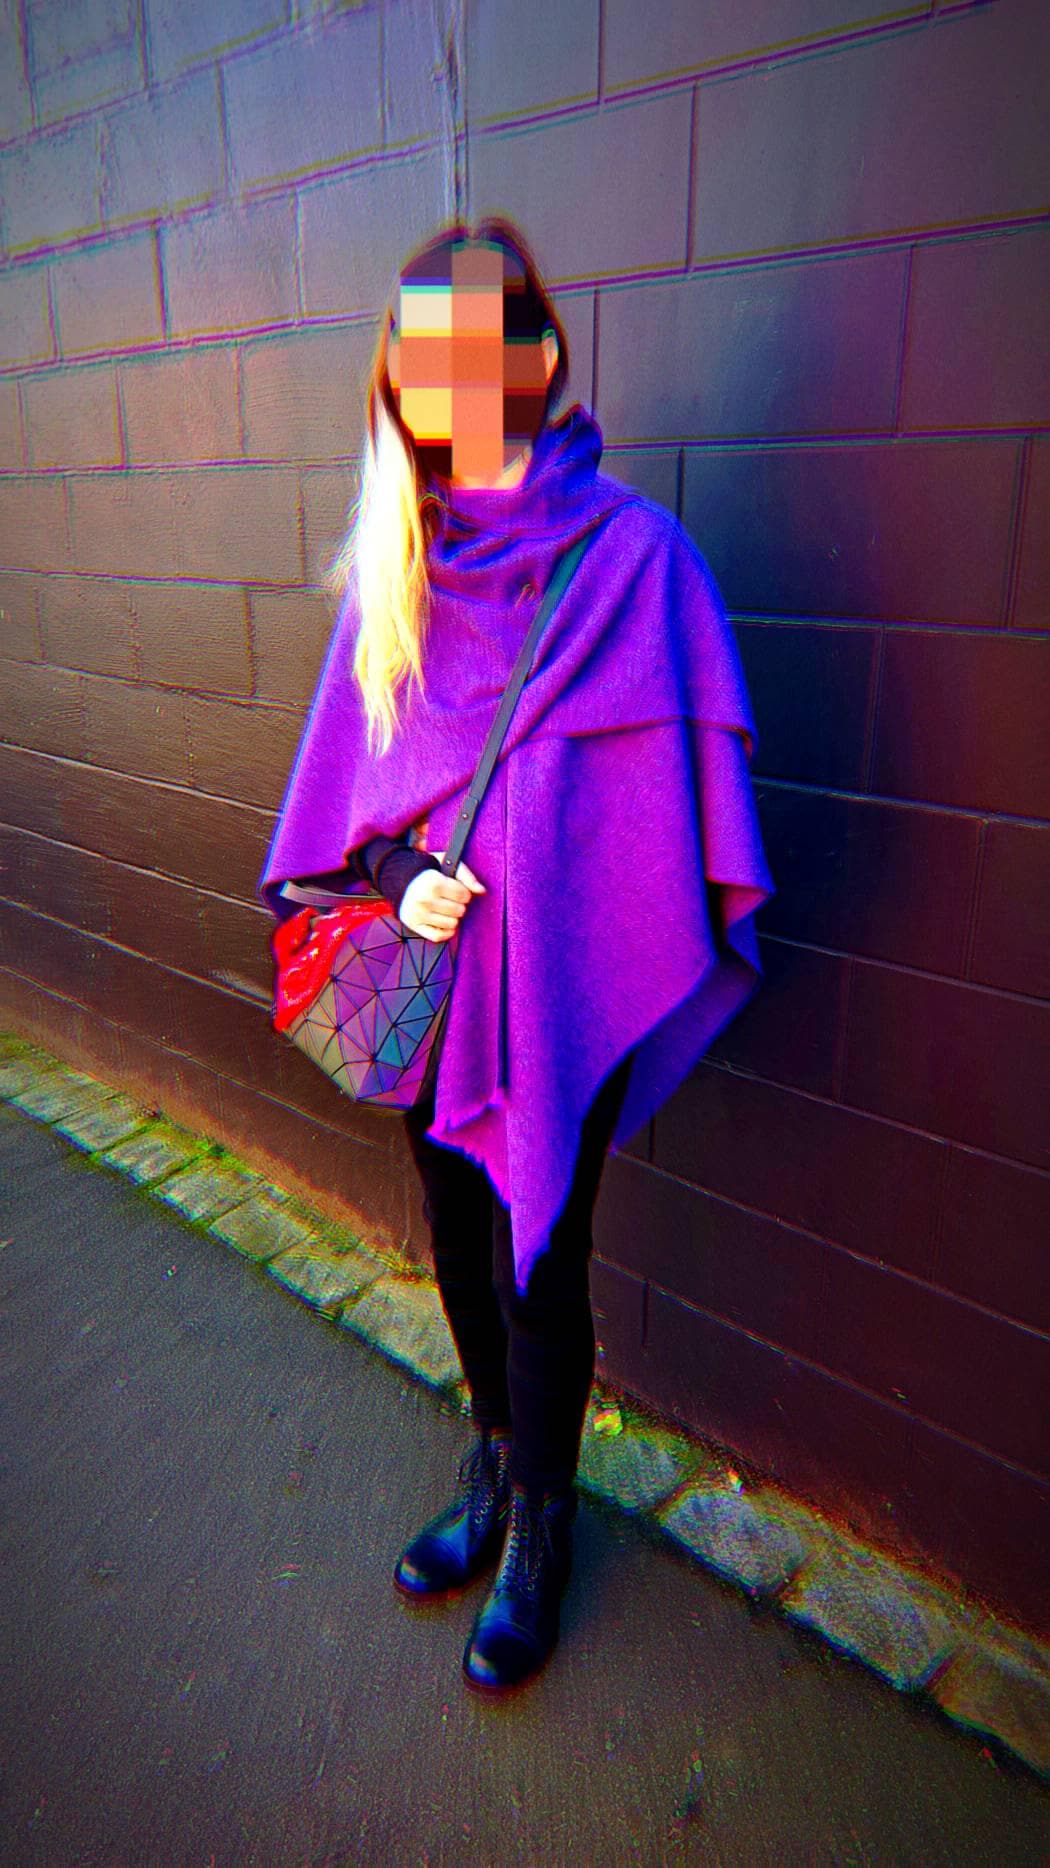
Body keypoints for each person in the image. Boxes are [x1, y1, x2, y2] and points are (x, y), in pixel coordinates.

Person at [257, 217, 775, 1697]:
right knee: (454, 1225)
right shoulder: (401, 567)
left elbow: (681, 804)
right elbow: (346, 814)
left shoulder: (639, 563)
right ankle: (492, 1459)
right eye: (426, 360)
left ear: (539, 358)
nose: (455, 385)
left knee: (544, 1250)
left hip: (563, 989)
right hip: (432, 995)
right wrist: (404, 875)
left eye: (483, 350)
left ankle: (544, 1521)